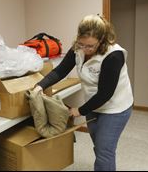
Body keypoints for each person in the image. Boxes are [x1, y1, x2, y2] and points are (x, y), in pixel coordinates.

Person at [33, 14, 133, 171]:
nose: (85, 50)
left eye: (90, 46)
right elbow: (60, 71)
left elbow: (105, 93)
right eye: (82, 44)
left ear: (102, 40)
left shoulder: (114, 56)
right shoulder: (77, 49)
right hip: (93, 104)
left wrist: (78, 111)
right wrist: (40, 85)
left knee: (104, 151)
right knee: (98, 144)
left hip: (115, 107)